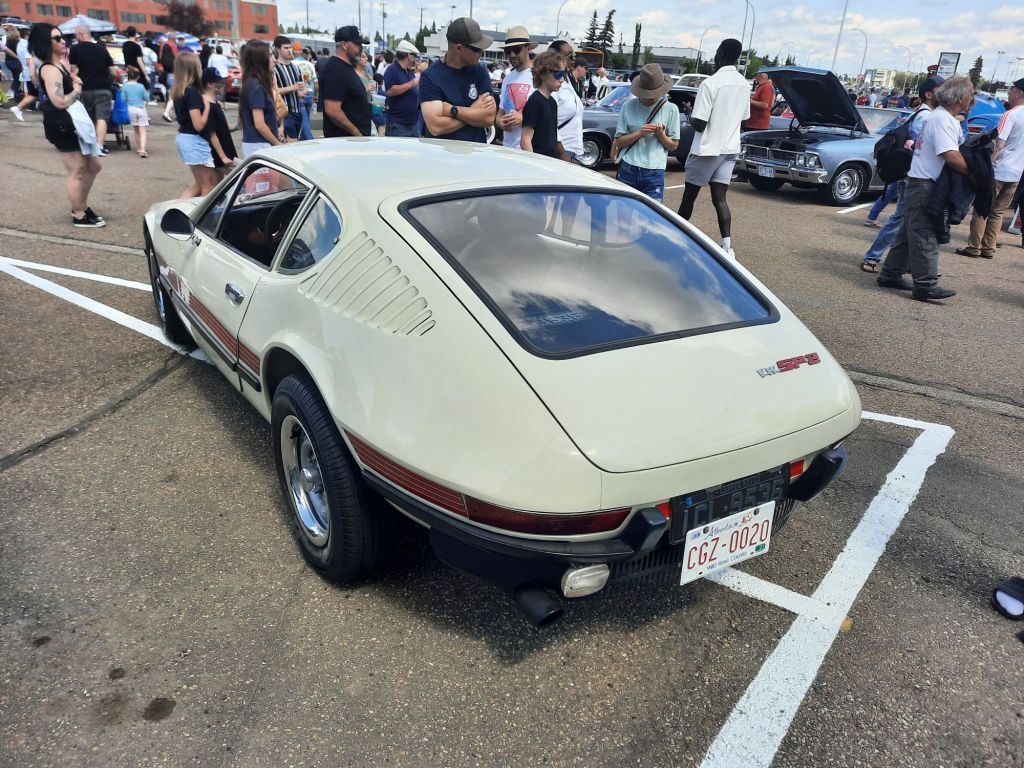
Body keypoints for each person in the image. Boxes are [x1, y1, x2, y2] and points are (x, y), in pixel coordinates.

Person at [877, 76, 975, 302]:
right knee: (925, 233)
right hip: (925, 185)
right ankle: (926, 285)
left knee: (908, 233)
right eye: (971, 93)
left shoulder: (941, 117)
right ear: (959, 97)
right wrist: (974, 174)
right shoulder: (943, 120)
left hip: (920, 182)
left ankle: (890, 274)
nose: (972, 99)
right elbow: (950, 155)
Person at [860, 76, 943, 272]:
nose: (945, 93)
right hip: (912, 176)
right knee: (900, 219)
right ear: (929, 94)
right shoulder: (925, 117)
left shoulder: (925, 114)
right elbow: (919, 146)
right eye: (941, 89)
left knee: (908, 222)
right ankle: (873, 257)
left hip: (914, 175)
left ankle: (903, 264)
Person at [677, 39, 749, 258]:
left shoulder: (710, 83)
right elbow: (744, 119)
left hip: (708, 149)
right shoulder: (744, 84)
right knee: (720, 199)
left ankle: (677, 239)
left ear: (721, 53)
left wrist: (689, 112)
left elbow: (699, 123)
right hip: (730, 148)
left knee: (689, 197)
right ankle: (727, 245)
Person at [28, 23, 104, 227]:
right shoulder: (50, 69)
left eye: (62, 37)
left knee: (94, 166)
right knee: (77, 169)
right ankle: (79, 214)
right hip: (62, 123)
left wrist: (73, 81)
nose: (63, 41)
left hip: (72, 121)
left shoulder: (60, 65)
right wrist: (77, 89)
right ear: (45, 43)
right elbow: (59, 101)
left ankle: (81, 206)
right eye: (57, 38)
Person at [956, 77, 1024, 259]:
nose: (1009, 94)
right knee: (998, 212)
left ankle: (974, 246)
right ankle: (989, 247)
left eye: (1011, 90)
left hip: (998, 170)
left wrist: (988, 165)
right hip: (1016, 173)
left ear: (1019, 93)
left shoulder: (1010, 115)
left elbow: (999, 144)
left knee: (981, 208)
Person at [418, 18, 495, 143]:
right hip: (443, 153)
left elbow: (489, 118)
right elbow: (436, 127)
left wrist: (452, 110)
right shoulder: (430, 77)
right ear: (459, 48)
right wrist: (473, 111)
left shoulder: (480, 72)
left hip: (476, 152)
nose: (481, 52)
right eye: (477, 49)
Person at [612, 63, 679, 201]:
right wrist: (639, 133)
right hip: (629, 167)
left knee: (651, 214)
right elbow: (619, 142)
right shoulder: (628, 106)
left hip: (655, 170)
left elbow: (673, 145)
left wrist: (660, 135)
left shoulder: (671, 109)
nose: (652, 96)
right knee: (624, 212)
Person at [171, 52, 216, 197]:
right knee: (207, 184)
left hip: (186, 138)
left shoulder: (180, 90)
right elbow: (198, 125)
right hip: (194, 140)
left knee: (200, 184)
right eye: (199, 66)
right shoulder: (192, 92)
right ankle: (202, 211)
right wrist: (207, 107)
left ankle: (180, 208)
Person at [68, 23, 115, 156]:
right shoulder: (102, 49)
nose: (75, 37)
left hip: (84, 89)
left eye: (76, 35)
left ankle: (87, 145)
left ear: (81, 35)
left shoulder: (75, 49)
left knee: (86, 118)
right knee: (101, 118)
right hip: (103, 88)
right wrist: (110, 81)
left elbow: (74, 71)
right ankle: (99, 146)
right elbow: (112, 71)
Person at [319, 26, 372, 138]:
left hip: (354, 140)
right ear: (344, 45)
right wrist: (356, 133)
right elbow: (332, 110)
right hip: (345, 141)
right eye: (357, 44)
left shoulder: (346, 67)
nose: (361, 48)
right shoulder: (335, 69)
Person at [520, 50, 569, 161]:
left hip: (551, 162)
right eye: (558, 74)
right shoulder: (534, 101)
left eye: (563, 74)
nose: (562, 79)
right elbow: (525, 140)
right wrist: (535, 164)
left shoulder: (552, 102)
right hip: (539, 163)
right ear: (542, 74)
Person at [495, 25, 537, 149]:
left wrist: (524, 118)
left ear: (527, 48)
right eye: (508, 51)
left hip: (530, 150)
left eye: (516, 49)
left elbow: (550, 115)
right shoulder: (507, 78)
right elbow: (500, 113)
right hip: (508, 148)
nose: (512, 55)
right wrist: (500, 122)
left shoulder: (540, 76)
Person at [239, 40, 282, 156]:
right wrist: (277, 144)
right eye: (270, 55)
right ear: (260, 60)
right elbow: (259, 124)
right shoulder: (255, 86)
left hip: (260, 144)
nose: (274, 59)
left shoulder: (255, 83)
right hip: (259, 145)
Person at [549, 41, 586, 162]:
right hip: (561, 152)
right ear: (554, 56)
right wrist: (563, 153)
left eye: (574, 55)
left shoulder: (567, 80)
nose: (573, 58)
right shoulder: (553, 84)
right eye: (569, 54)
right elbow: (550, 124)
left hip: (574, 150)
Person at [200, 67, 237, 181]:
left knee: (218, 184)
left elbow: (222, 128)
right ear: (209, 84)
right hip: (217, 153)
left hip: (223, 149)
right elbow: (212, 134)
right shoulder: (207, 104)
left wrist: (238, 126)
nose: (222, 85)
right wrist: (223, 157)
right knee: (237, 178)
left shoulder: (214, 103)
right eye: (219, 82)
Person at [383, 39, 420, 137]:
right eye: (414, 55)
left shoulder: (409, 71)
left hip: (413, 123)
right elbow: (390, 91)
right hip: (399, 124)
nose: (415, 59)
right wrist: (410, 84)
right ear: (409, 55)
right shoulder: (392, 69)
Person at [273, 36, 306, 142]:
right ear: (278, 49)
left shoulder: (296, 67)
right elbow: (274, 91)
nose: (289, 50)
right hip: (285, 113)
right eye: (285, 48)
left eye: (290, 48)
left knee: (295, 142)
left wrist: (302, 91)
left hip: (298, 111)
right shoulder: (274, 68)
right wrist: (293, 88)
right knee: (292, 143)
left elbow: (302, 88)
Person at [122, 66, 150, 158]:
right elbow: (147, 98)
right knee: (143, 130)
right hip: (140, 108)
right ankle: (143, 149)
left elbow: (123, 99)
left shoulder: (125, 86)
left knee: (136, 130)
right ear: (138, 77)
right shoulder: (141, 86)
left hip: (130, 109)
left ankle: (139, 148)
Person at [291, 45, 317, 139]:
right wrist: (315, 95)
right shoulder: (310, 65)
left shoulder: (292, 64)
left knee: (303, 120)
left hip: (299, 93)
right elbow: (315, 82)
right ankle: (303, 139)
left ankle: (310, 139)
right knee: (307, 119)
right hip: (310, 92)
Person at [10, 27, 36, 121]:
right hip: (31, 72)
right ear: (26, 35)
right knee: (34, 94)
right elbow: (28, 61)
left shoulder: (20, 44)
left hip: (26, 71)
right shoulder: (27, 45)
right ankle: (18, 108)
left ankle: (18, 108)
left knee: (33, 93)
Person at [121, 26, 149, 96]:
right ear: (135, 34)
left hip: (129, 70)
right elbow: (139, 60)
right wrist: (146, 74)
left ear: (127, 34)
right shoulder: (137, 46)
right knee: (143, 90)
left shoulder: (124, 45)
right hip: (138, 72)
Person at [159, 35, 178, 121]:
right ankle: (167, 113)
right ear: (173, 39)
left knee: (171, 94)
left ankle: (169, 111)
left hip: (166, 73)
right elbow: (177, 58)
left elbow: (160, 57)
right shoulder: (173, 46)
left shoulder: (163, 45)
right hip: (173, 73)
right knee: (174, 96)